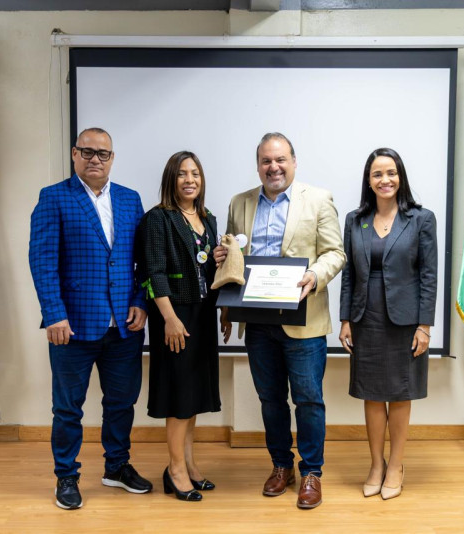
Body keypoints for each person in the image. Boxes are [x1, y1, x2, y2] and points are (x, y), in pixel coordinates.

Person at [214, 132, 345, 510]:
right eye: (266, 161)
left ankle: (312, 473)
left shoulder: (318, 199)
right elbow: (232, 261)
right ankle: (280, 466)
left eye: (280, 160)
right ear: (258, 165)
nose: (274, 167)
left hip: (303, 321)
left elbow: (335, 253)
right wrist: (224, 258)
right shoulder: (240, 203)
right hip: (257, 322)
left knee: (308, 400)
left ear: (294, 161)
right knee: (270, 399)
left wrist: (315, 277)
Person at [29, 127, 152, 510]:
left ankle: (116, 467)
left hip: (124, 326)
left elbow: (142, 261)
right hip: (73, 326)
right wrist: (54, 315)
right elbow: (42, 262)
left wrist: (140, 302)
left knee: (121, 403)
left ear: (112, 158)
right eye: (88, 152)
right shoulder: (53, 198)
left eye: (103, 153)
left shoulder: (131, 200)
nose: (95, 158)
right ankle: (66, 476)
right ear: (74, 154)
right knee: (68, 408)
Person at [338, 147, 438, 500]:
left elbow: (429, 274)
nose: (385, 180)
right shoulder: (354, 219)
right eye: (378, 174)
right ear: (369, 180)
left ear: (401, 177)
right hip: (366, 317)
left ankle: (396, 464)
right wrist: (346, 318)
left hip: (405, 320)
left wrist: (424, 325)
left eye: (391, 173)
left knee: (399, 393)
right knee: (371, 393)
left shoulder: (421, 218)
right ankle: (376, 464)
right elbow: (349, 273)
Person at [138, 151, 228, 502]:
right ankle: (174, 469)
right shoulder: (158, 219)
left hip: (203, 314)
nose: (190, 179)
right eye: (182, 174)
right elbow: (153, 272)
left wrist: (222, 303)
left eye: (195, 173)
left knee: (192, 396)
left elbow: (208, 271)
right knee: (178, 396)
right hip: (175, 318)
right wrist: (170, 318)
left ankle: (188, 463)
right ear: (171, 180)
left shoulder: (209, 218)